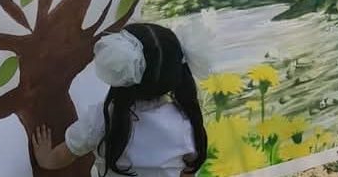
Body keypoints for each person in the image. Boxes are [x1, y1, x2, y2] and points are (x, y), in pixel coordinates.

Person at [31, 22, 208, 176]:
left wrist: (46, 159)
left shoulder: (102, 119)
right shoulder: (186, 123)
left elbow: (64, 155)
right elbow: (187, 171)